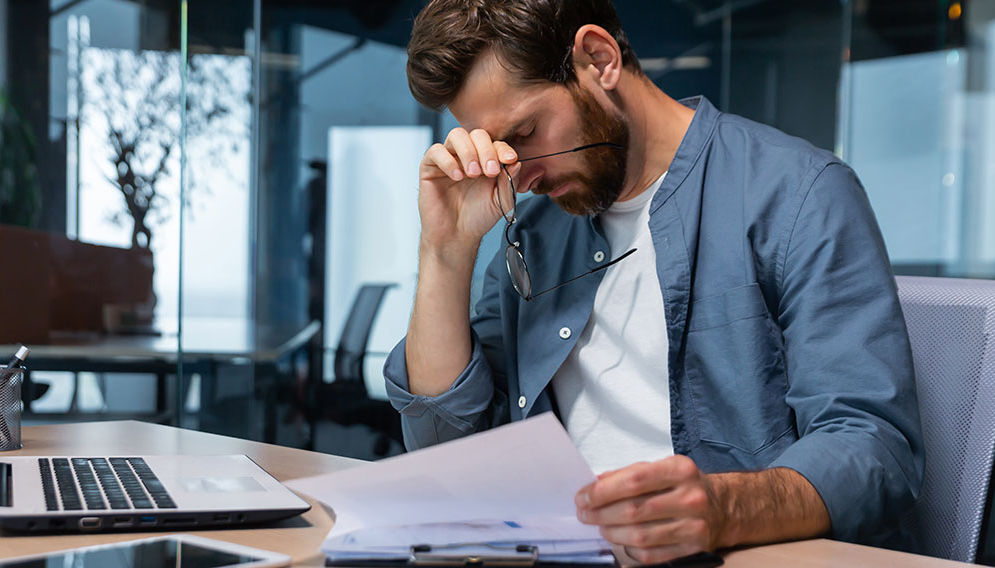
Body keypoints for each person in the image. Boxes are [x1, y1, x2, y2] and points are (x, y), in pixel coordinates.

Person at [382, 0, 924, 564]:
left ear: (600, 58)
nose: (521, 174)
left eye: (525, 131)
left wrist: (724, 510)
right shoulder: (535, 233)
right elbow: (445, 450)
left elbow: (874, 449)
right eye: (501, 150)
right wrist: (446, 252)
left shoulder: (798, 194)